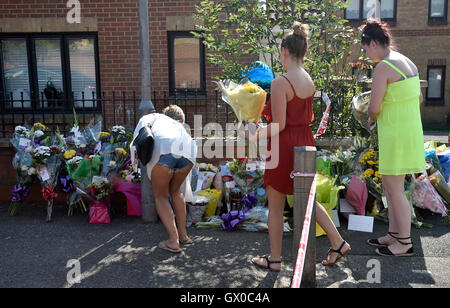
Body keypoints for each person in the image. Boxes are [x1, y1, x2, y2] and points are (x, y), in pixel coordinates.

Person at [248, 22, 351, 272]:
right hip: (305, 141)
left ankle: (274, 259)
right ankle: (337, 242)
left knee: (275, 202)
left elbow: (280, 124)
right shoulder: (307, 79)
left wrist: (257, 134)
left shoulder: (281, 82)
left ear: (284, 51)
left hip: (284, 145)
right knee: (307, 199)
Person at [362, 19, 425, 257]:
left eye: (366, 48)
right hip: (408, 132)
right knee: (391, 187)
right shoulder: (406, 61)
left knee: (395, 189)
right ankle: (395, 234)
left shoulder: (383, 67)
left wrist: (367, 116)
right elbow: (418, 99)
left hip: (395, 134)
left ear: (375, 43)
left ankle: (405, 243)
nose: (367, 54)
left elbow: (374, 107)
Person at [131, 105, 197, 253]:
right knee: (176, 192)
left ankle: (173, 241)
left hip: (164, 149)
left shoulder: (149, 118)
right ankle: (184, 236)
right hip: (189, 150)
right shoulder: (176, 125)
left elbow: (138, 143)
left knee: (161, 196)